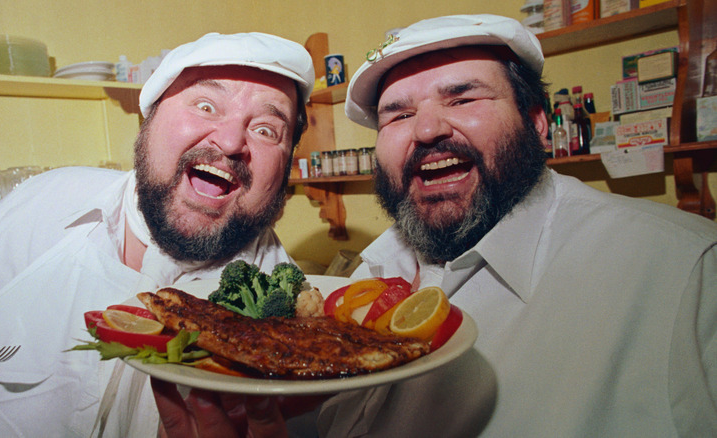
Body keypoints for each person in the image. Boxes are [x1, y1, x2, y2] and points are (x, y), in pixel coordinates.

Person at [153, 14, 717, 437]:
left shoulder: (686, 274)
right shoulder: (359, 279)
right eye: (397, 113)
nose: (425, 130)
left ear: (538, 124)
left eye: (463, 96)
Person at [0, 31, 314, 436]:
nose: (229, 141)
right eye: (206, 106)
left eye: (265, 130)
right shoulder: (51, 195)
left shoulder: (301, 324)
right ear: (147, 122)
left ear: (286, 167)